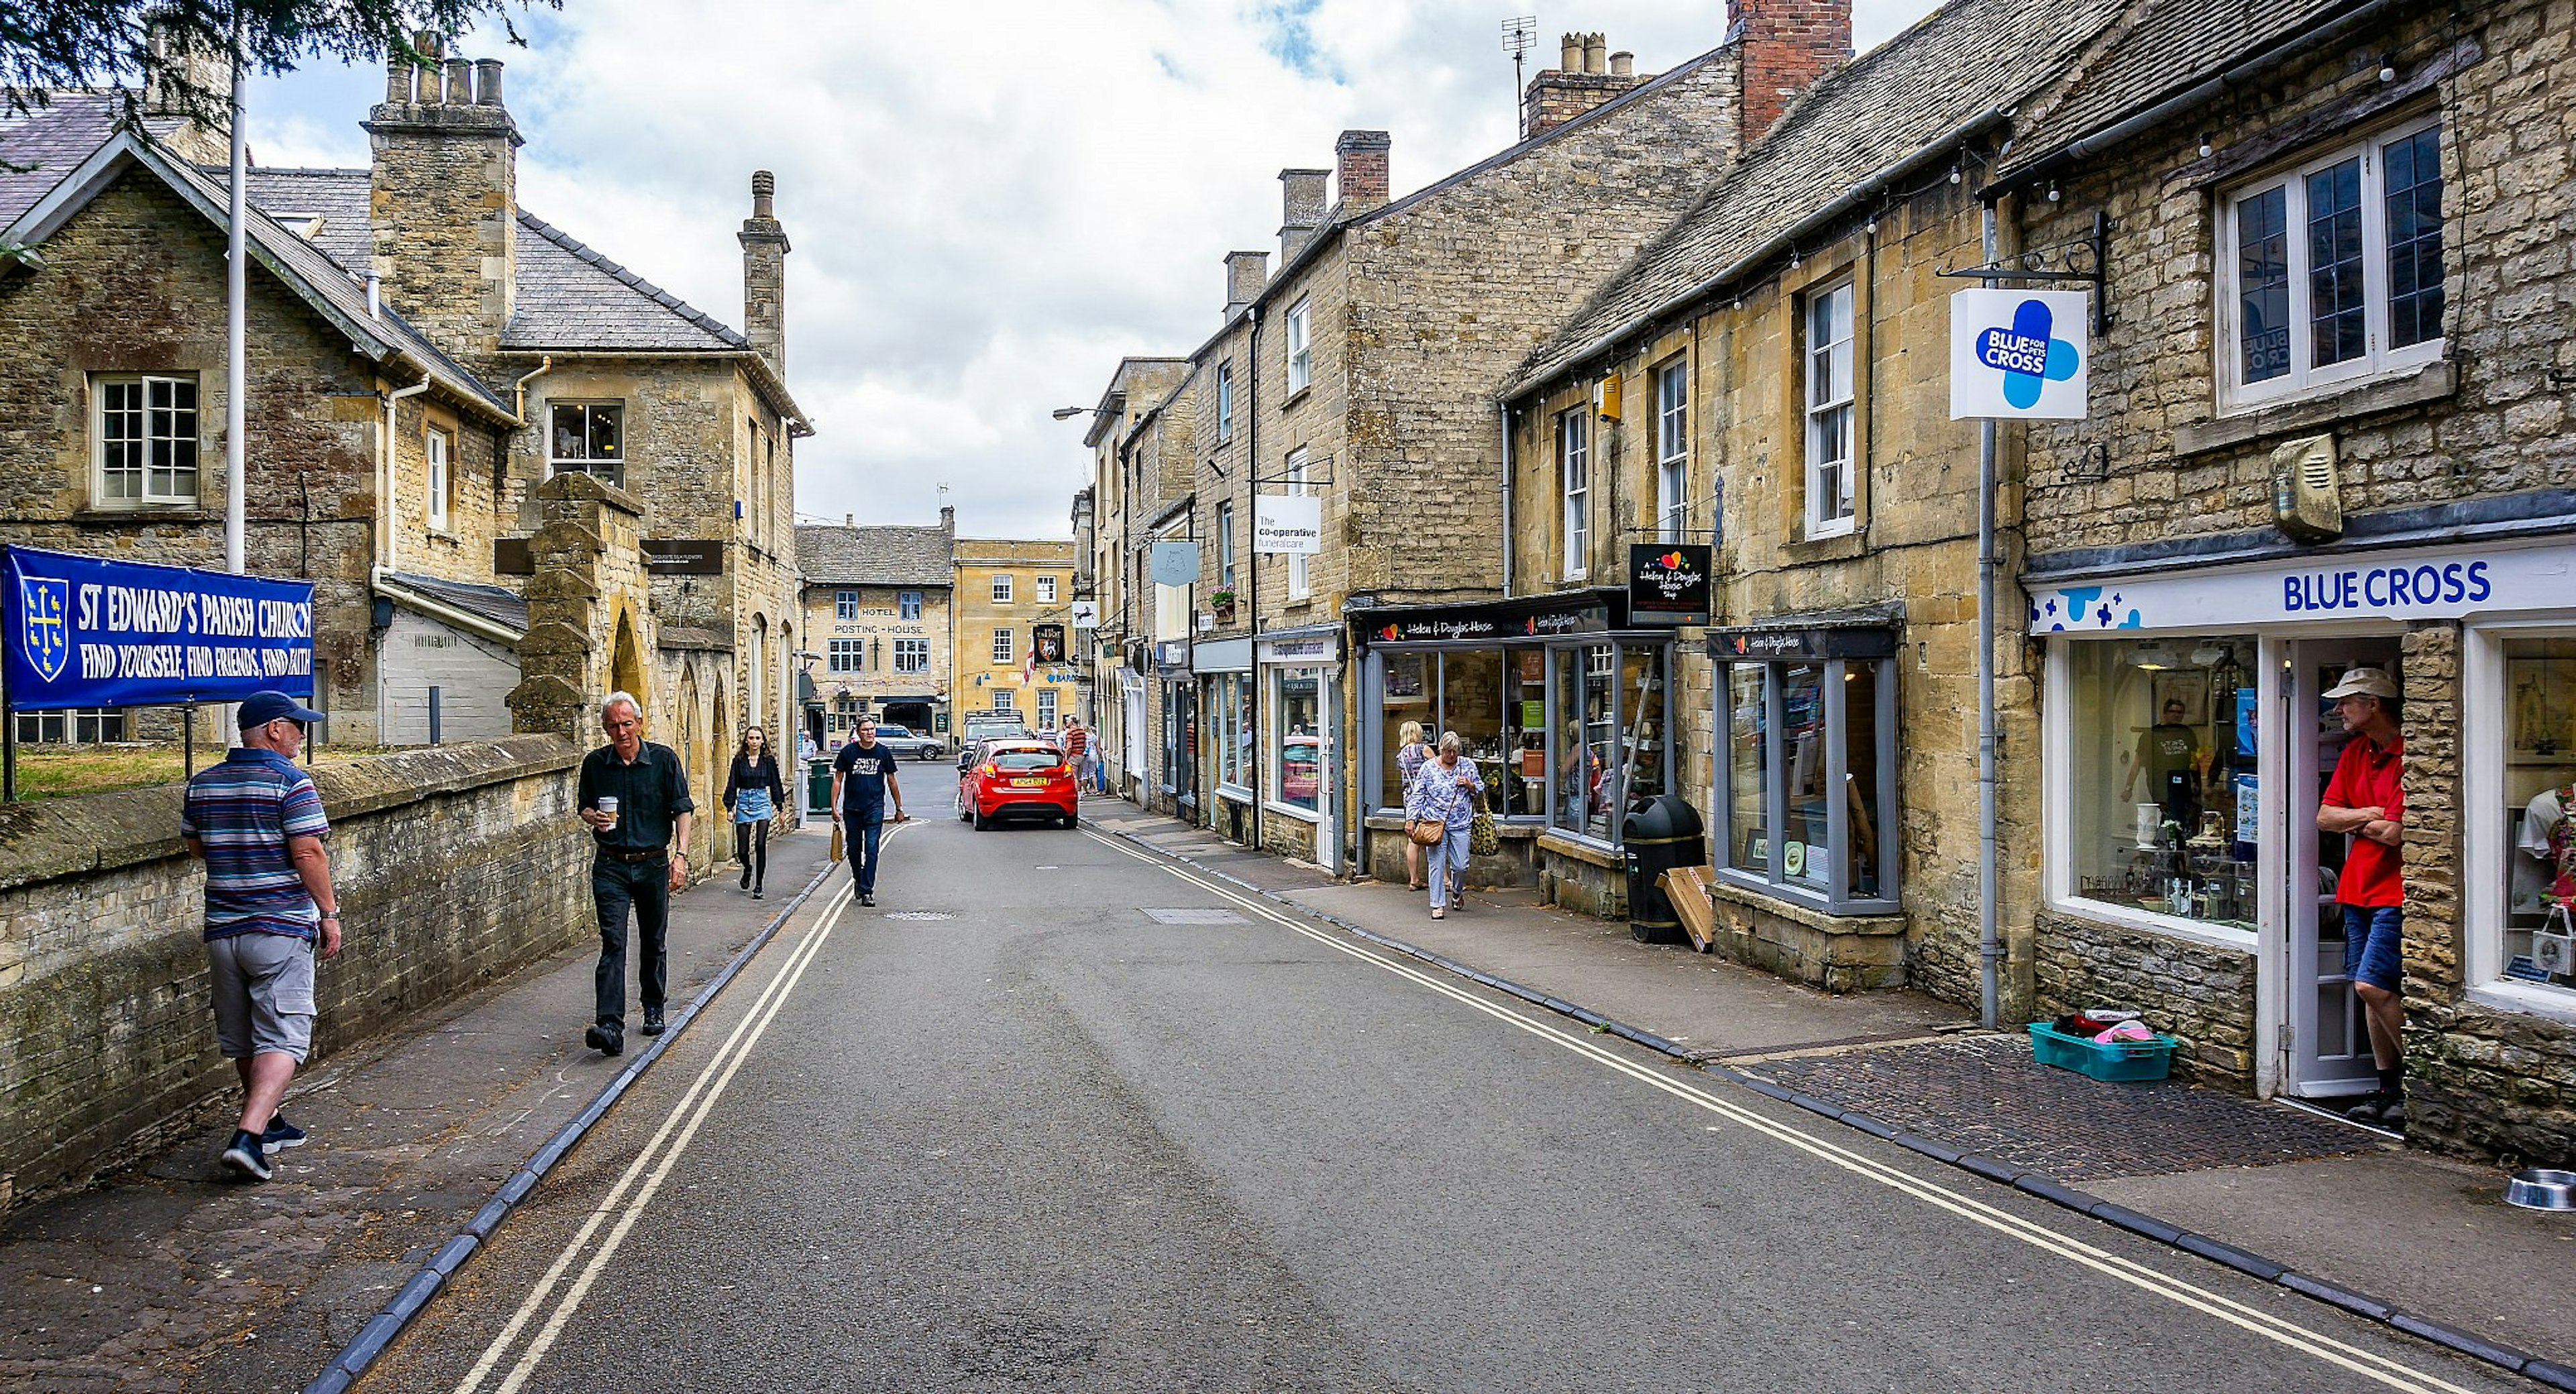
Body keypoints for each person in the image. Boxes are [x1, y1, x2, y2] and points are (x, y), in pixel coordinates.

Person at [182, 690, 341, 1182]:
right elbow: (308, 852)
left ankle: (270, 1122)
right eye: (297, 725)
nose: (302, 734)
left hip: (225, 930)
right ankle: (247, 1137)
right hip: (278, 927)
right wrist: (329, 913)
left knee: (245, 1034)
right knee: (285, 1036)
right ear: (273, 729)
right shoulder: (291, 781)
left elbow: (195, 846)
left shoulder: (203, 783)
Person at [576, 692, 694, 1057]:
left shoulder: (663, 760)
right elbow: (584, 806)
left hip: (653, 862)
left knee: (653, 940)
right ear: (606, 728)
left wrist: (681, 857)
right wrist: (591, 817)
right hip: (611, 864)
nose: (622, 731)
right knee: (613, 943)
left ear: (639, 723)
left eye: (627, 723)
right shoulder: (596, 764)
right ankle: (610, 1025)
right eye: (614, 725)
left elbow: (682, 810)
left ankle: (653, 1006)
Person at [2316, 666, 2406, 1127]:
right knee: (2372, 992)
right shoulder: (2355, 752)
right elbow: (2324, 818)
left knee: (2373, 985)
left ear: (2374, 705)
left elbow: (2393, 834)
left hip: (2394, 890)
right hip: (2357, 888)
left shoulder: (2409, 755)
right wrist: (2369, 813)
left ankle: (2419, 1083)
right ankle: (2388, 1087)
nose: (2338, 709)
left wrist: (2357, 816)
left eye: (2347, 701)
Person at [1407, 731, 1485, 920]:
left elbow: (1481, 789)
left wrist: (1469, 785)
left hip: (1461, 824)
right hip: (1434, 824)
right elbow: (1418, 795)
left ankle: (1457, 892)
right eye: (1448, 751)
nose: (1451, 755)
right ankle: (1437, 905)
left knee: (1461, 866)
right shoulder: (1428, 768)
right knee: (1436, 864)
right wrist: (1411, 819)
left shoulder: (1468, 766)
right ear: (1441, 749)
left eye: (1454, 752)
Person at [832, 715, 908, 908]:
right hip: (852, 809)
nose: (869, 733)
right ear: (858, 733)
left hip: (875, 808)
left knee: (872, 850)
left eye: (872, 729)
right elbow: (838, 780)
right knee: (854, 850)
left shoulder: (883, 752)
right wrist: (833, 806)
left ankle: (867, 891)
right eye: (865, 730)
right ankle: (858, 878)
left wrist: (899, 808)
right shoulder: (848, 752)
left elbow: (892, 781)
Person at [722, 725, 786, 899]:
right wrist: (730, 807)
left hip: (762, 801)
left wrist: (780, 808)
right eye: (751, 738)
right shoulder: (739, 761)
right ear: (746, 741)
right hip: (743, 801)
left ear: (763, 741)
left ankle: (758, 886)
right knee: (742, 850)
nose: (755, 741)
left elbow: (775, 784)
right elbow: (732, 784)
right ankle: (748, 868)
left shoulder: (768, 761)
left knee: (760, 844)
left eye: (758, 738)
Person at [2124, 696, 2203, 822]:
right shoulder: (2153, 734)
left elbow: (2195, 760)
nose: (2177, 715)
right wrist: (2129, 788)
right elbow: (2137, 762)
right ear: (2165, 713)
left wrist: (2198, 782)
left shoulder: (2187, 733)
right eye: (2173, 712)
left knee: (2183, 817)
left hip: (2183, 783)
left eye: (2180, 712)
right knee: (2166, 817)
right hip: (2161, 784)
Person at [1394, 719, 1430, 891]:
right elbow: (1439, 767)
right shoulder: (1423, 749)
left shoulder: (1401, 755)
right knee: (1434, 834)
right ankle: (1445, 879)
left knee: (1413, 840)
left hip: (1409, 799)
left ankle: (1414, 879)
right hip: (1425, 797)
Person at [1061, 713, 1091, 799]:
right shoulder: (1082, 732)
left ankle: (1077, 795)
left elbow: (1069, 746)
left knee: (1074, 776)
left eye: (1068, 721)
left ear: (1072, 722)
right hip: (1081, 755)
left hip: (1073, 756)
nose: (1066, 722)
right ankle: (1080, 793)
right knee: (1079, 776)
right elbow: (1085, 745)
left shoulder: (1070, 732)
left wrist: (1067, 757)